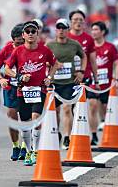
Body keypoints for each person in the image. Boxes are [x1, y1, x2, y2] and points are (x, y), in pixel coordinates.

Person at [5, 20, 60, 166]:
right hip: (22, 91)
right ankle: (29, 152)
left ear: (37, 34)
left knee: (35, 119)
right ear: (23, 35)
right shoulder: (18, 51)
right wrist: (19, 77)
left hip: (39, 90)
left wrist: (49, 77)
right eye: (27, 32)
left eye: (33, 32)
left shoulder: (44, 50)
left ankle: (35, 151)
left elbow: (56, 64)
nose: (30, 34)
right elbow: (6, 69)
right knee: (25, 123)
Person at [46, 18, 85, 150]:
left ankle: (67, 137)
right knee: (54, 112)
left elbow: (84, 56)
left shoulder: (74, 44)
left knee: (67, 109)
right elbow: (43, 60)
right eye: (59, 28)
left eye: (63, 28)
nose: (61, 30)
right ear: (56, 30)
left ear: (68, 30)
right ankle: (56, 134)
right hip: (54, 83)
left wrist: (81, 72)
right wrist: (54, 65)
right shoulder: (49, 45)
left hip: (69, 83)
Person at [0, 23, 26, 161]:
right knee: (12, 116)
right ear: (13, 40)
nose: (19, 45)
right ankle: (15, 145)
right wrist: (0, 79)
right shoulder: (6, 49)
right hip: (10, 87)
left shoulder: (30, 47)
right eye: (17, 42)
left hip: (26, 88)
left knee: (26, 118)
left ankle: (26, 147)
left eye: (22, 42)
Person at [87, 21, 118, 146]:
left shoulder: (110, 47)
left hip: (106, 84)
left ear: (103, 32)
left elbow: (116, 63)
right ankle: (93, 135)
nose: (93, 32)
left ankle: (107, 131)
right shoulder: (89, 47)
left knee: (105, 109)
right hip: (93, 83)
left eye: (96, 29)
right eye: (92, 29)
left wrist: (116, 76)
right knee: (93, 106)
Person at [67, 10, 97, 93]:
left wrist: (96, 81)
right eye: (75, 19)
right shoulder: (64, 37)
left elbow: (93, 61)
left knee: (83, 104)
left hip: (85, 77)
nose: (78, 22)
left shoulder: (89, 39)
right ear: (70, 21)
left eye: (81, 20)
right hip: (68, 78)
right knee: (68, 105)